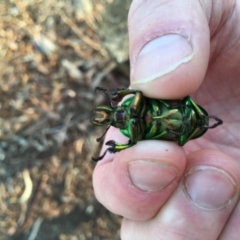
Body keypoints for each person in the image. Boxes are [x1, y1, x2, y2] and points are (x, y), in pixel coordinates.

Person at [93, 1, 240, 239]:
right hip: (184, 124)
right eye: (118, 117)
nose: (120, 116)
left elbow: (137, 96)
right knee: (146, 156)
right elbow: (134, 127)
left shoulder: (135, 104)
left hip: (186, 117)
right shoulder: (134, 126)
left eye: (117, 112)